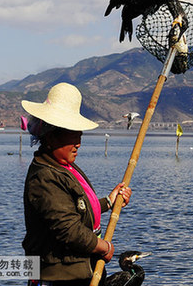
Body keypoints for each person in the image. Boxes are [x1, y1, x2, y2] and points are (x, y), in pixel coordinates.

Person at [21, 82, 132, 286]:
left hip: (79, 274)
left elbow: (76, 209)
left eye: (79, 135)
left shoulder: (65, 168)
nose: (78, 143)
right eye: (73, 135)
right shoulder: (44, 177)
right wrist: (103, 247)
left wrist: (109, 201)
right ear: (52, 137)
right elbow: (68, 229)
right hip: (57, 278)